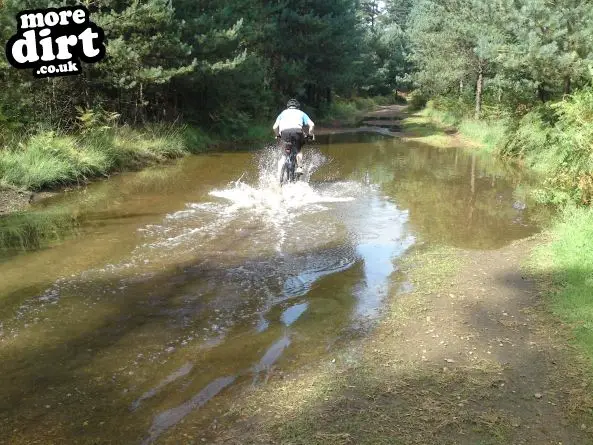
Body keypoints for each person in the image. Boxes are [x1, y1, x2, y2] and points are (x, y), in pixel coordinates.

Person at [273, 98, 315, 174]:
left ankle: (282, 165)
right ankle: (299, 167)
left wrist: (278, 136)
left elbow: (274, 127)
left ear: (288, 107)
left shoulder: (282, 113)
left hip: (284, 133)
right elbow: (312, 125)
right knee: (298, 150)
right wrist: (310, 136)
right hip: (297, 132)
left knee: (284, 149)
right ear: (297, 107)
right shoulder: (301, 113)